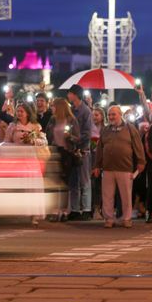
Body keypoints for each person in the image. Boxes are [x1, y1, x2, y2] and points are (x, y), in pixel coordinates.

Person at [93, 105, 145, 228]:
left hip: (125, 167)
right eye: (109, 115)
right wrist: (97, 165)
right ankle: (109, 219)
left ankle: (127, 219)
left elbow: (138, 146)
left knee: (126, 195)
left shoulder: (130, 129)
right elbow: (100, 149)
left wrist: (141, 161)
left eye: (114, 114)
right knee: (107, 196)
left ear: (120, 115)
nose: (111, 117)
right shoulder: (105, 130)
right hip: (108, 168)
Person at [45, 97, 81, 222]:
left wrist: (69, 136)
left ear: (60, 107)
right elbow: (47, 135)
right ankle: (55, 210)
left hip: (66, 153)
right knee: (55, 182)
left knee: (65, 183)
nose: (52, 108)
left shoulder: (71, 120)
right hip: (55, 151)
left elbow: (78, 138)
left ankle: (65, 211)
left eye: (54, 106)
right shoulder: (52, 120)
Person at [66, 85, 94, 221]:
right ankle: (75, 209)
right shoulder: (70, 110)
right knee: (73, 181)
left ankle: (87, 209)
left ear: (75, 95)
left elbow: (87, 132)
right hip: (72, 149)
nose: (68, 95)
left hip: (83, 150)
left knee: (84, 180)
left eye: (70, 93)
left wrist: (75, 139)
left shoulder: (85, 111)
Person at [90, 106, 106, 219]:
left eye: (97, 115)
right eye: (93, 115)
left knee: (99, 185)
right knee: (91, 184)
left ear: (102, 116)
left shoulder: (105, 129)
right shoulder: (89, 128)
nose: (94, 117)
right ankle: (90, 208)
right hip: (90, 158)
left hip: (102, 159)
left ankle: (98, 208)